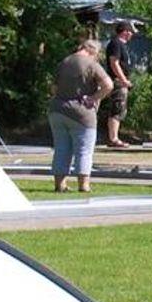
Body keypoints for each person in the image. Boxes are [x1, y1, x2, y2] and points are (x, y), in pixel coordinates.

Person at [48, 33, 115, 193]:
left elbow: (53, 88)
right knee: (84, 150)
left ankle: (60, 185)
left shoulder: (64, 62)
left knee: (61, 149)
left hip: (57, 110)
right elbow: (109, 85)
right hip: (81, 113)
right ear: (94, 51)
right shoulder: (91, 64)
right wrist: (93, 98)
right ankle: (83, 185)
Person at [102, 20, 148, 149]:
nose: (131, 34)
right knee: (117, 108)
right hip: (117, 81)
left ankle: (114, 136)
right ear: (125, 32)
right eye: (130, 32)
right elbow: (114, 62)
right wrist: (123, 80)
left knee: (120, 109)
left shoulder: (121, 45)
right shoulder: (116, 44)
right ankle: (113, 138)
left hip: (121, 80)